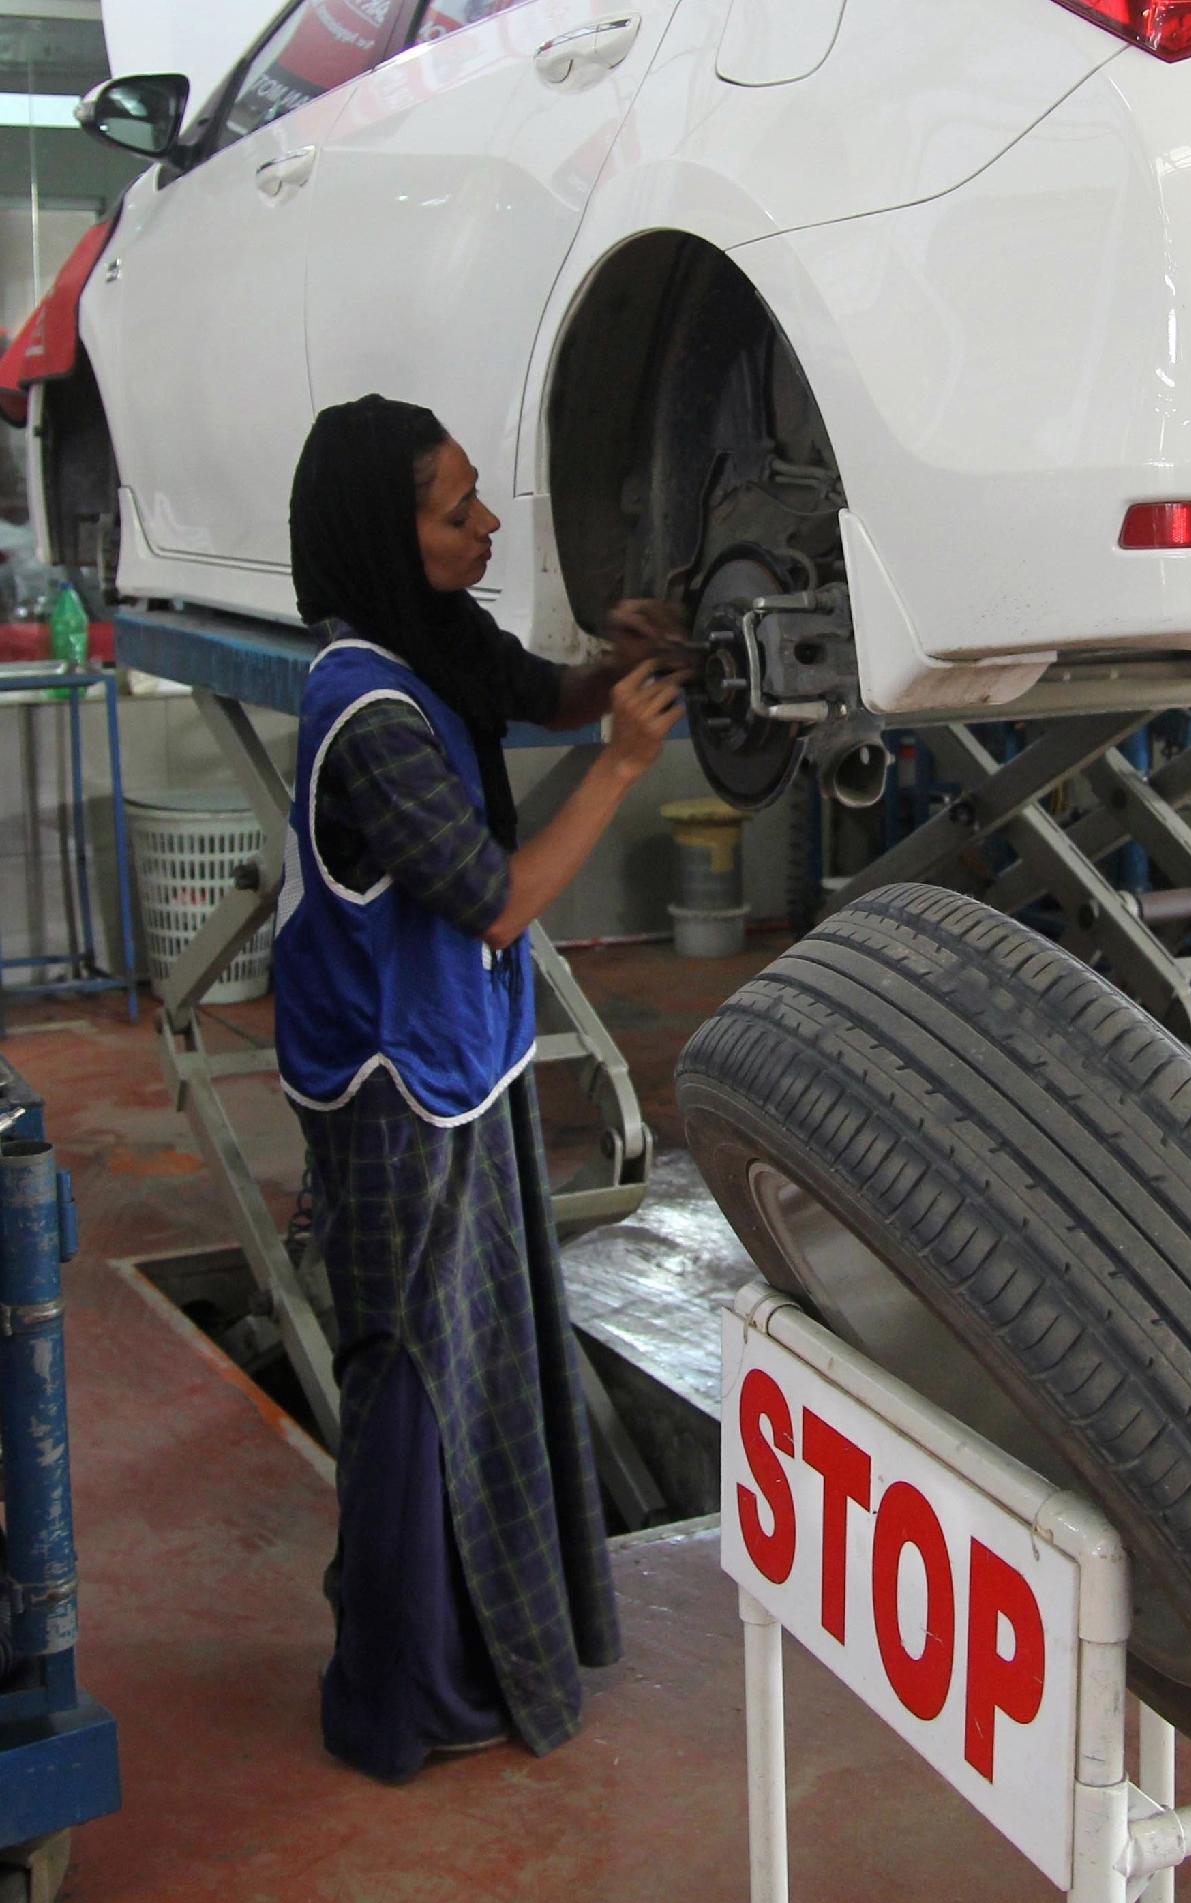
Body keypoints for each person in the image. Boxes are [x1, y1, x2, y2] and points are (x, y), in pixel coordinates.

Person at [275, 392, 689, 1783]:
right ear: (382, 536)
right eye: (457, 509)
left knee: (485, 1355)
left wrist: (607, 667)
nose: (488, 521)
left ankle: (484, 1639)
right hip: (396, 1091)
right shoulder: (366, 706)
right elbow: (495, 904)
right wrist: (622, 764)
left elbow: (535, 691)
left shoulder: (427, 643)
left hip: (460, 1062)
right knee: (415, 1377)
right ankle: (403, 1690)